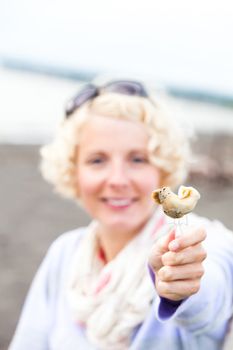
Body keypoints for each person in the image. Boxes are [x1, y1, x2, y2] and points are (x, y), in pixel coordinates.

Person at [9, 80, 233, 350]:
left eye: (137, 159)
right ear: (73, 170)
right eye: (97, 160)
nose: (117, 179)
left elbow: (211, 294)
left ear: (162, 169)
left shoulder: (206, 243)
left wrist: (183, 288)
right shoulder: (64, 254)